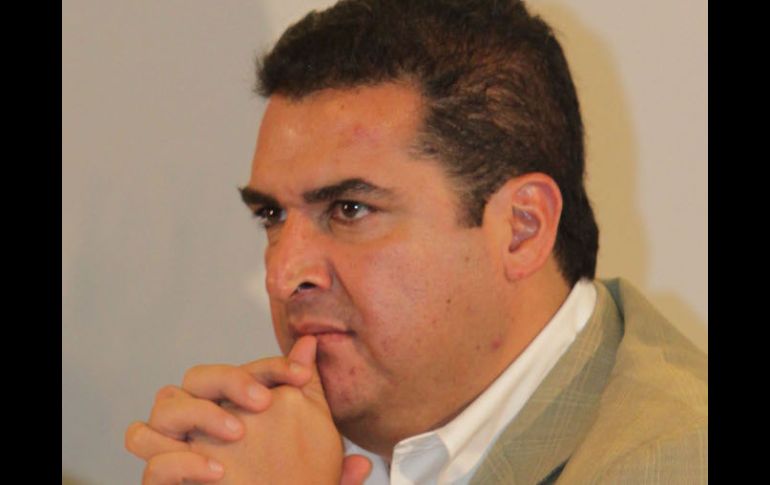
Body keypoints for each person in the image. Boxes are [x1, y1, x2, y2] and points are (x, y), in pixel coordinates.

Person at [124, 0, 708, 483]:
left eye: (350, 209)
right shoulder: (310, 444)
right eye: (272, 215)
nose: (281, 275)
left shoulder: (672, 461)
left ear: (522, 229)